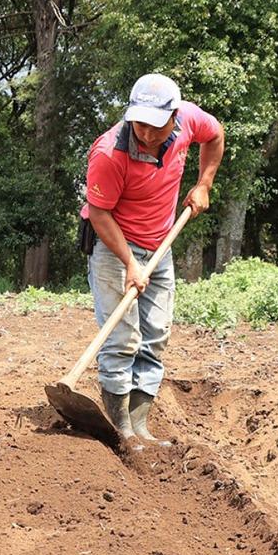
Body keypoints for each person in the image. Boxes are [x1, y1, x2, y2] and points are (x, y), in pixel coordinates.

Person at [82, 73, 224, 442]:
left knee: (155, 335)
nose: (145, 134)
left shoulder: (191, 119)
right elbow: (99, 214)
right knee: (122, 338)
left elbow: (215, 135)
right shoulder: (109, 154)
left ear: (175, 116)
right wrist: (130, 262)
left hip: (160, 245)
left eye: (155, 126)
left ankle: (140, 424)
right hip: (115, 249)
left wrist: (203, 183)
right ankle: (121, 428)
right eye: (140, 124)